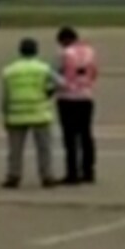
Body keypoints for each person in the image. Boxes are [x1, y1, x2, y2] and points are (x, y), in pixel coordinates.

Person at [1, 38, 61, 190]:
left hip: (16, 113)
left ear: (20, 51)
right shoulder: (43, 68)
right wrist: (48, 92)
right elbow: (61, 83)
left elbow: (5, 96)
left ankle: (13, 176)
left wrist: (5, 112)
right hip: (39, 112)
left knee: (15, 150)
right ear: (36, 51)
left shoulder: (9, 70)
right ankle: (47, 176)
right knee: (44, 148)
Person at [55, 27, 98, 185]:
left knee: (70, 137)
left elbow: (57, 74)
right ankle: (88, 171)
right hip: (86, 96)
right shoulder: (89, 51)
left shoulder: (64, 54)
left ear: (65, 40)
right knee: (86, 135)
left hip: (68, 98)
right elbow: (94, 72)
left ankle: (72, 173)